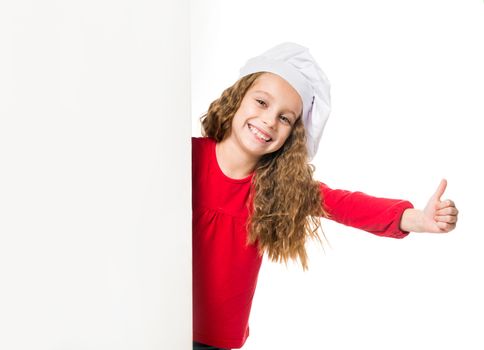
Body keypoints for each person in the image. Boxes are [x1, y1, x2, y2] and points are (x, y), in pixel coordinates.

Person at [192, 42, 459, 350]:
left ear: (292, 134)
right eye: (262, 102)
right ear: (237, 99)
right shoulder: (186, 157)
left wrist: (419, 219)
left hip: (215, 340)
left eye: (284, 118)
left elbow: (348, 205)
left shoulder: (277, 188)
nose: (268, 120)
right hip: (155, 316)